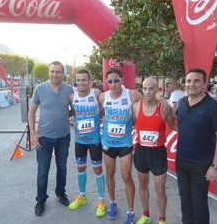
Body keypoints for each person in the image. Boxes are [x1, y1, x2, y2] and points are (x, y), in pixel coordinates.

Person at [176, 68, 217, 224]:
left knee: (199, 205)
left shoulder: (215, 107)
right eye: (189, 80)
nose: (192, 84)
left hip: (201, 165)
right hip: (181, 161)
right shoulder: (182, 103)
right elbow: (182, 126)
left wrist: (216, 166)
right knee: (185, 202)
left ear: (204, 83)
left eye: (196, 81)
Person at [28, 60, 74, 216]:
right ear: (49, 72)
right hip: (44, 138)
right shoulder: (40, 89)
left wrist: (62, 117)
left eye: (58, 71)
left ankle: (60, 193)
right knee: (43, 170)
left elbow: (74, 109)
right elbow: (31, 111)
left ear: (63, 73)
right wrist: (33, 133)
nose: (55, 74)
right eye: (52, 71)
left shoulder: (69, 89)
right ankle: (41, 200)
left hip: (63, 137)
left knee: (62, 168)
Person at [99, 67, 143, 224]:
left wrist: (163, 100)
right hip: (108, 142)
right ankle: (112, 203)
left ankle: (130, 211)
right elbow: (101, 113)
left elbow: (148, 101)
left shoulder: (131, 94)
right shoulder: (103, 97)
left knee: (126, 176)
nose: (113, 84)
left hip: (125, 143)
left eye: (116, 80)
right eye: (109, 81)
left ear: (122, 80)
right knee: (109, 173)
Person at [132, 77, 177, 224]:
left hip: (158, 153)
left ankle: (162, 219)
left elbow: (174, 126)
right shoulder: (136, 106)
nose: (147, 92)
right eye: (144, 88)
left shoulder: (164, 108)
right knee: (142, 184)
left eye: (151, 88)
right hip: (141, 152)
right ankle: (146, 215)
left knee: (160, 189)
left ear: (157, 90)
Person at [68, 69, 106, 217]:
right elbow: (71, 113)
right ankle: (82, 196)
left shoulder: (97, 95)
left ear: (90, 82)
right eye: (78, 80)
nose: (80, 83)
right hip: (79, 141)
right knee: (81, 168)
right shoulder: (72, 97)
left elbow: (106, 108)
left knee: (97, 170)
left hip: (95, 140)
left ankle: (102, 200)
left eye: (84, 80)